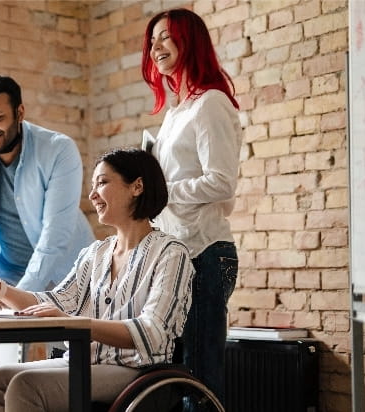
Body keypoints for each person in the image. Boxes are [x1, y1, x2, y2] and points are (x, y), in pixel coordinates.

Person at [0, 148, 194, 412]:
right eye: (93, 185)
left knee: (25, 386)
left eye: (103, 182)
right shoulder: (95, 253)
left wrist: (77, 323)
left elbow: (152, 332)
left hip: (136, 370)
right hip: (86, 360)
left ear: (137, 186)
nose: (92, 194)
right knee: (0, 379)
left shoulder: (170, 253)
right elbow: (53, 302)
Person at [141, 8, 243, 407]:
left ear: (191, 41)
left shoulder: (211, 103)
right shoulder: (175, 113)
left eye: (166, 37)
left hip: (205, 254)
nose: (156, 47)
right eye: (152, 41)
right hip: (176, 254)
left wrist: (161, 191)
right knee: (177, 376)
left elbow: (222, 183)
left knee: (199, 379)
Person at [0, 73, 94, 310]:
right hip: (7, 276)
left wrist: (17, 296)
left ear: (20, 113)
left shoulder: (59, 149)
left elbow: (55, 236)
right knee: (0, 346)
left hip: (66, 275)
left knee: (64, 348)